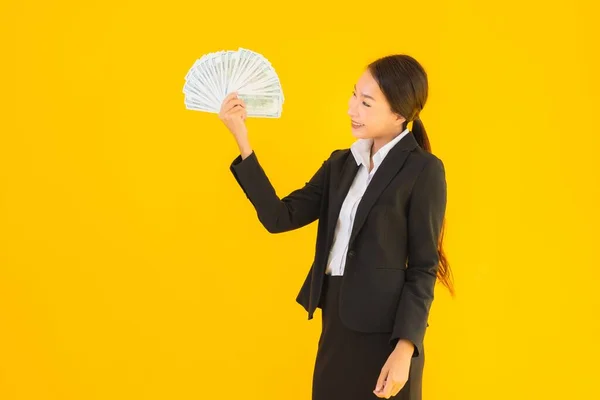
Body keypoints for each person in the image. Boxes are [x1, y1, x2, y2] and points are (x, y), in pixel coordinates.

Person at [220, 54, 453, 400]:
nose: (352, 108)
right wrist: (242, 138)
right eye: (354, 95)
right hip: (337, 330)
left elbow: (422, 268)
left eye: (366, 102)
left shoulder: (424, 171)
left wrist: (405, 349)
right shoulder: (340, 164)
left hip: (388, 338)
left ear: (399, 115)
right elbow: (279, 217)